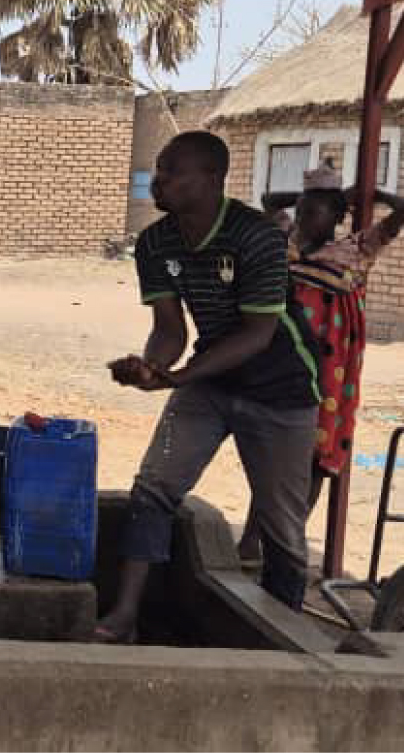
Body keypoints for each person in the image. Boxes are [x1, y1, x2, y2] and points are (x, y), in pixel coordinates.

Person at [96, 131, 321, 643]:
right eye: (159, 169)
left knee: (280, 524)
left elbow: (259, 334)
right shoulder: (156, 243)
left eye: (173, 170)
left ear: (213, 178)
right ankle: (124, 616)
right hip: (211, 379)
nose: (161, 180)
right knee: (154, 486)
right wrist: (153, 367)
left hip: (280, 387)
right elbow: (171, 331)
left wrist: (178, 376)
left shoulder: (257, 236)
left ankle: (280, 636)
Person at [237, 161, 404, 562]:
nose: (302, 218)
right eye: (300, 210)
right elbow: (268, 200)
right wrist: (309, 194)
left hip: (329, 369)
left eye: (314, 212)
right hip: (281, 360)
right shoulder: (287, 240)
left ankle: (287, 539)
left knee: (315, 456)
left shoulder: (357, 249)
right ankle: (251, 539)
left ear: (338, 217)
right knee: (272, 455)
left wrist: (357, 195)